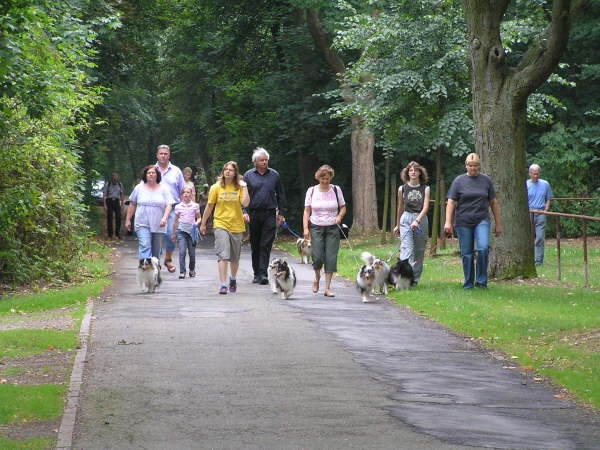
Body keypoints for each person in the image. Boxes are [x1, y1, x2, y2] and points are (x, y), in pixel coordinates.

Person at [444, 153, 502, 289]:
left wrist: (498, 223)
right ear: (466, 166)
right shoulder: (459, 181)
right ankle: (468, 283)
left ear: (479, 166)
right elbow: (451, 202)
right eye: (470, 166)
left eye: (475, 166)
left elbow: (493, 202)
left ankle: (481, 281)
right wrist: (447, 222)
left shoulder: (486, 180)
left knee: (482, 248)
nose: (473, 168)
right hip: (463, 221)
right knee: (467, 253)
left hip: (481, 219)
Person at [200, 161, 249, 294]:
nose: (228, 171)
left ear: (235, 173)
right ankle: (222, 284)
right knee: (223, 255)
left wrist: (244, 187)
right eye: (226, 169)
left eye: (231, 170)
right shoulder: (216, 187)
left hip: (237, 225)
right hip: (220, 224)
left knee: (235, 257)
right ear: (223, 172)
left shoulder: (239, 187)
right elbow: (209, 206)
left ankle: (232, 278)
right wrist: (203, 223)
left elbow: (245, 203)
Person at [243, 147, 287, 285]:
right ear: (255, 162)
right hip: (253, 214)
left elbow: (281, 195)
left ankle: (263, 274)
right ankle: (256, 272)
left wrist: (281, 213)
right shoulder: (248, 176)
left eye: (266, 160)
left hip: (269, 214)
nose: (264, 162)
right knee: (255, 244)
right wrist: (244, 211)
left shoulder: (274, 175)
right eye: (261, 160)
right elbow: (243, 196)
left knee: (265, 244)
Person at [302, 165, 346, 297]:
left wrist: (339, 216)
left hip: (333, 227)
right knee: (317, 256)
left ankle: (327, 288)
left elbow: (343, 207)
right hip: (316, 226)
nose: (325, 181)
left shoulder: (336, 190)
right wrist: (305, 228)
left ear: (330, 177)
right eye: (322, 179)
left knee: (331, 257)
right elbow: (307, 210)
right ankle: (317, 277)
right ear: (318, 177)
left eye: (327, 178)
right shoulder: (311, 191)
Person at [125, 166, 173, 261]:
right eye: (149, 173)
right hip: (142, 222)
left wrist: (164, 218)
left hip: (158, 223)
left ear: (157, 175)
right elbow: (132, 204)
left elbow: (169, 205)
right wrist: (128, 220)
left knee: (156, 251)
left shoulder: (164, 188)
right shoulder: (139, 188)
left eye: (153, 172)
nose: (151, 174)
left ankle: (155, 273)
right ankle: (145, 271)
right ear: (145, 175)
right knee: (145, 246)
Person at [393, 161, 430, 284]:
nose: (413, 172)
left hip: (421, 219)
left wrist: (417, 220)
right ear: (407, 173)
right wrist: (397, 225)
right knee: (406, 249)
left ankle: (415, 279)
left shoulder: (425, 188)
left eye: (416, 170)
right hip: (406, 219)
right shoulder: (402, 189)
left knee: (419, 251)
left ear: (420, 172)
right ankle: (403, 278)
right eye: (410, 170)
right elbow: (400, 207)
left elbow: (425, 208)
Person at [154, 144, 184, 273]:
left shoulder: (176, 171)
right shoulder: (152, 170)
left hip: (173, 207)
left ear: (169, 155)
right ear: (157, 155)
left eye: (165, 153)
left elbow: (182, 190)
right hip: (156, 207)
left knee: (171, 234)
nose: (163, 156)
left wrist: (186, 208)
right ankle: (156, 261)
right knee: (156, 234)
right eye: (161, 153)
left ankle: (168, 259)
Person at [171, 186, 202, 279]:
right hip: (181, 232)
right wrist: (173, 233)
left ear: (191, 194)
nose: (186, 194)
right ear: (181, 195)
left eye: (188, 192)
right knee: (182, 252)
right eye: (184, 192)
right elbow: (175, 221)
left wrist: (196, 223)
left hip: (191, 232)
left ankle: (192, 270)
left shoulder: (195, 206)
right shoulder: (178, 206)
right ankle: (182, 271)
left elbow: (199, 217)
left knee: (192, 254)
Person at [527, 164, 553, 266]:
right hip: (529, 212)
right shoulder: (526, 184)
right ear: (530, 174)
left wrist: (546, 209)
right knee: (528, 237)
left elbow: (548, 198)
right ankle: (529, 259)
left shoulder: (545, 184)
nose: (536, 176)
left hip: (540, 212)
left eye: (537, 174)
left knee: (540, 237)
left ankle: (538, 261)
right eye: (534, 174)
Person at [102, 172, 125, 239]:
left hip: (117, 201)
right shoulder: (108, 184)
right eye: (114, 178)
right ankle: (110, 234)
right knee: (110, 218)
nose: (115, 180)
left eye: (116, 178)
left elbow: (122, 194)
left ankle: (117, 233)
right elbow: (104, 194)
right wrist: (104, 205)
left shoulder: (120, 184)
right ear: (112, 178)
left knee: (118, 217)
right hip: (109, 201)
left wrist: (122, 204)